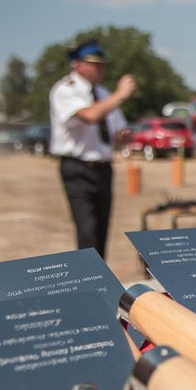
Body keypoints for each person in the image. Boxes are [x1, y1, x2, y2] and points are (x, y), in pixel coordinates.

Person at [49, 39, 135, 258]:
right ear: (77, 64)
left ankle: (101, 284)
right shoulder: (65, 90)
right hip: (78, 168)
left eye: (102, 64)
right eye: (94, 64)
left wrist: (123, 135)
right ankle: (89, 286)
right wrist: (121, 94)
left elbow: (116, 129)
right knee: (87, 231)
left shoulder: (104, 93)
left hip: (103, 168)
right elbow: (90, 115)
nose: (100, 69)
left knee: (101, 231)